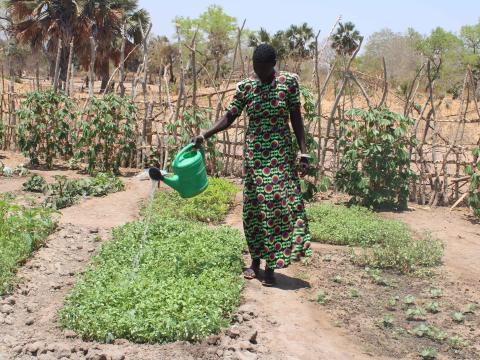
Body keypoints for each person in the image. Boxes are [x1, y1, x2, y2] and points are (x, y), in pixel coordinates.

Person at [193, 44, 312, 286]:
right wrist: (205, 133)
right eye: (256, 69)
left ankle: (271, 267)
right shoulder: (248, 87)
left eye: (264, 69)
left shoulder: (288, 83)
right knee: (254, 210)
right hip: (256, 157)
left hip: (280, 155)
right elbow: (230, 116)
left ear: (273, 65)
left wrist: (304, 152)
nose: (259, 73)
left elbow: (296, 117)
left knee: (277, 208)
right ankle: (255, 262)